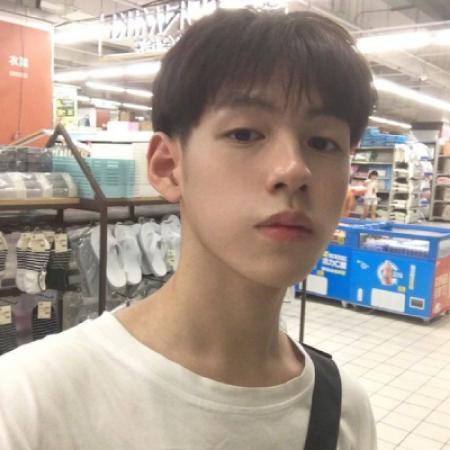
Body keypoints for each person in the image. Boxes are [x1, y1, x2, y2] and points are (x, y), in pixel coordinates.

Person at [0, 8, 377, 449]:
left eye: (323, 142)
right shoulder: (28, 404)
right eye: (245, 134)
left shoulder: (343, 410)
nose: (294, 169)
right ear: (168, 166)